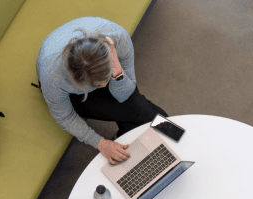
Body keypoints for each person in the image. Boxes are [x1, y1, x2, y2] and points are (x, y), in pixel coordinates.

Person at [36, 17, 168, 164]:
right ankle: (170, 136)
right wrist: (101, 143)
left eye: (106, 79)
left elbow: (126, 95)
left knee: (141, 110)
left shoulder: (119, 39)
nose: (105, 86)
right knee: (143, 113)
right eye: (99, 85)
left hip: (98, 69)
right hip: (73, 94)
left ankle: (140, 141)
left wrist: (118, 76)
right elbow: (64, 117)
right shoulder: (53, 76)